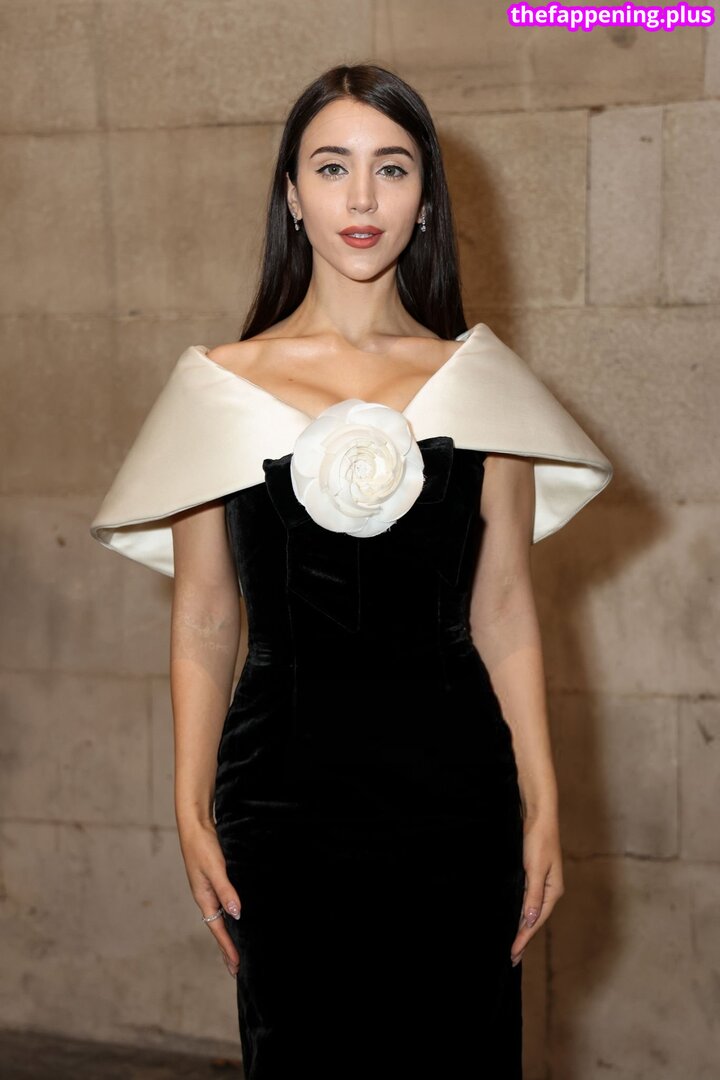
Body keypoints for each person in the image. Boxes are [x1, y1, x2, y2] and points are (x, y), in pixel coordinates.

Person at [90, 63, 613, 1079]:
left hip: (458, 797)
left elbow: (505, 605)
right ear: (292, 195)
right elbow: (205, 614)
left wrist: (544, 801)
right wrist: (188, 805)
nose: (362, 198)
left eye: (392, 168)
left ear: (427, 200)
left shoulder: (482, 382)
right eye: (332, 168)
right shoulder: (220, 387)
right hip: (281, 799)